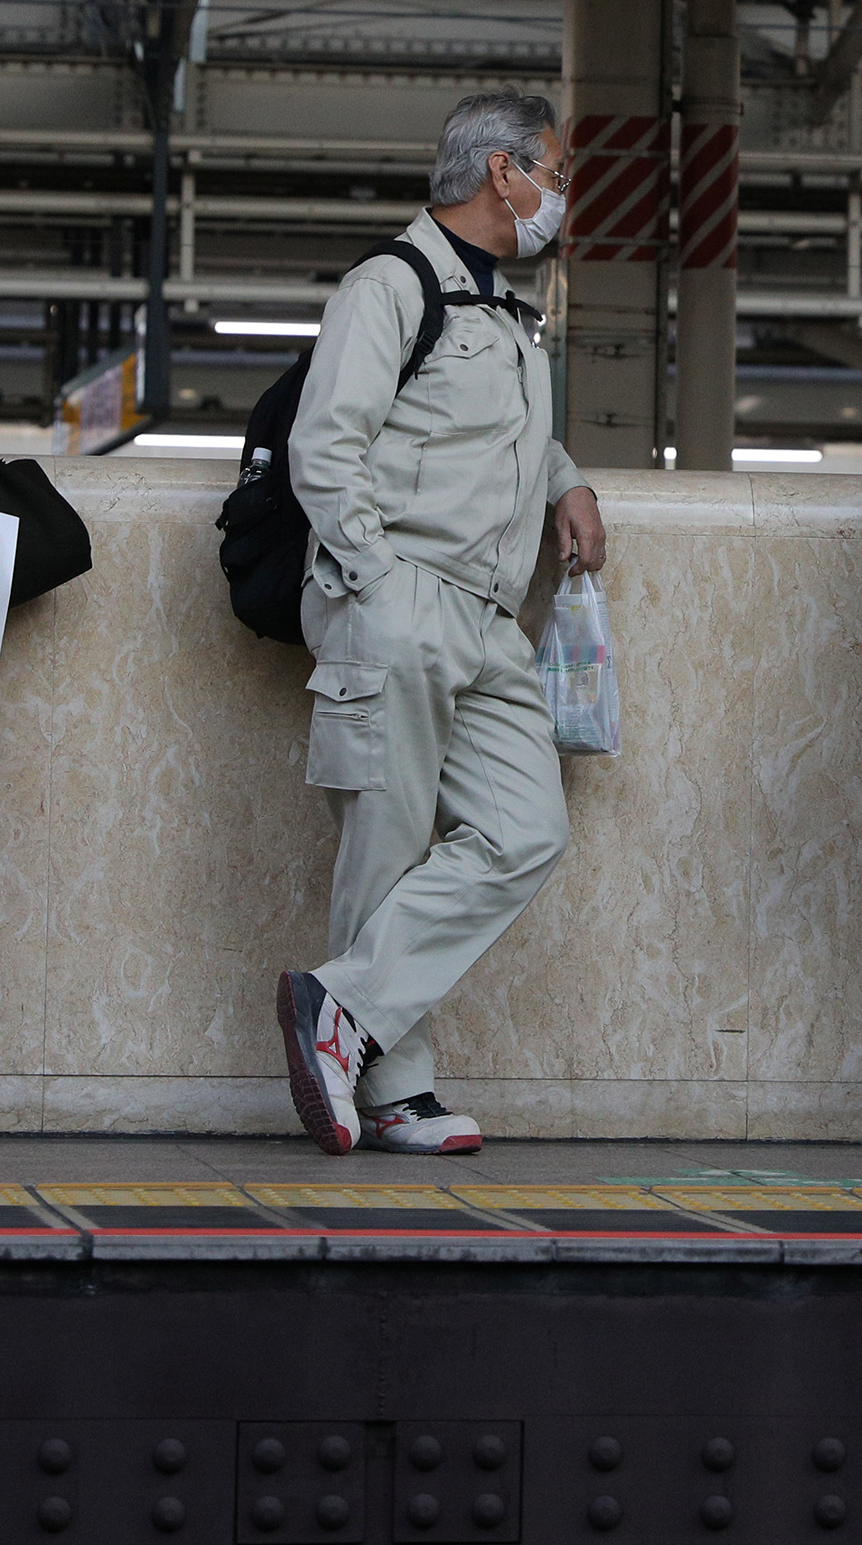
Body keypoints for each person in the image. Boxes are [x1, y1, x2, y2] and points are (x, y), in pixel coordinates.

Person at [275, 90, 606, 1157]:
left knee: (524, 829)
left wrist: (564, 480)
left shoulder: (502, 310)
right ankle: (396, 1089)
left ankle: (342, 1008)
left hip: (486, 614)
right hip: (402, 595)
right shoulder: (390, 285)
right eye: (550, 169)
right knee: (384, 844)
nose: (560, 191)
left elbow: (484, 435)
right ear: (499, 173)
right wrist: (376, 582)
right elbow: (324, 446)